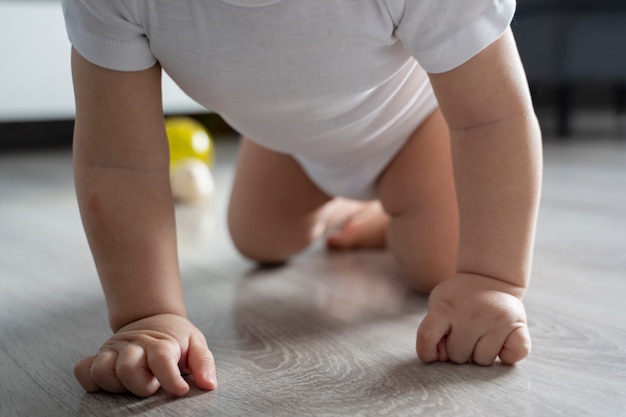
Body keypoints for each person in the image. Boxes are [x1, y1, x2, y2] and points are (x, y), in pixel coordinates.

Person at [62, 0, 542, 398]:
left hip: (417, 127)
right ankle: (353, 206)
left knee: (434, 262)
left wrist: (489, 279)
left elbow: (490, 119)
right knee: (259, 240)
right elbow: (116, 161)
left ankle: (392, 205)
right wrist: (147, 316)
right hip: (290, 142)